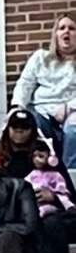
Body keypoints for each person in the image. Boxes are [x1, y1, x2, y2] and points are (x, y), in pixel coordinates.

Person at [11, 13, 76, 167]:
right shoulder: (40, 57)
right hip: (41, 112)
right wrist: (16, 107)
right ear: (55, 35)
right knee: (26, 122)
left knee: (73, 129)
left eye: (72, 28)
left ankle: (69, 177)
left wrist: (69, 107)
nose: (66, 32)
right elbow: (25, 84)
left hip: (71, 113)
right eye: (62, 28)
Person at [0, 107, 46, 179]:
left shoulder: (44, 156)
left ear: (33, 131)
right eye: (15, 126)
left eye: (25, 126)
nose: (19, 130)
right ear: (7, 129)